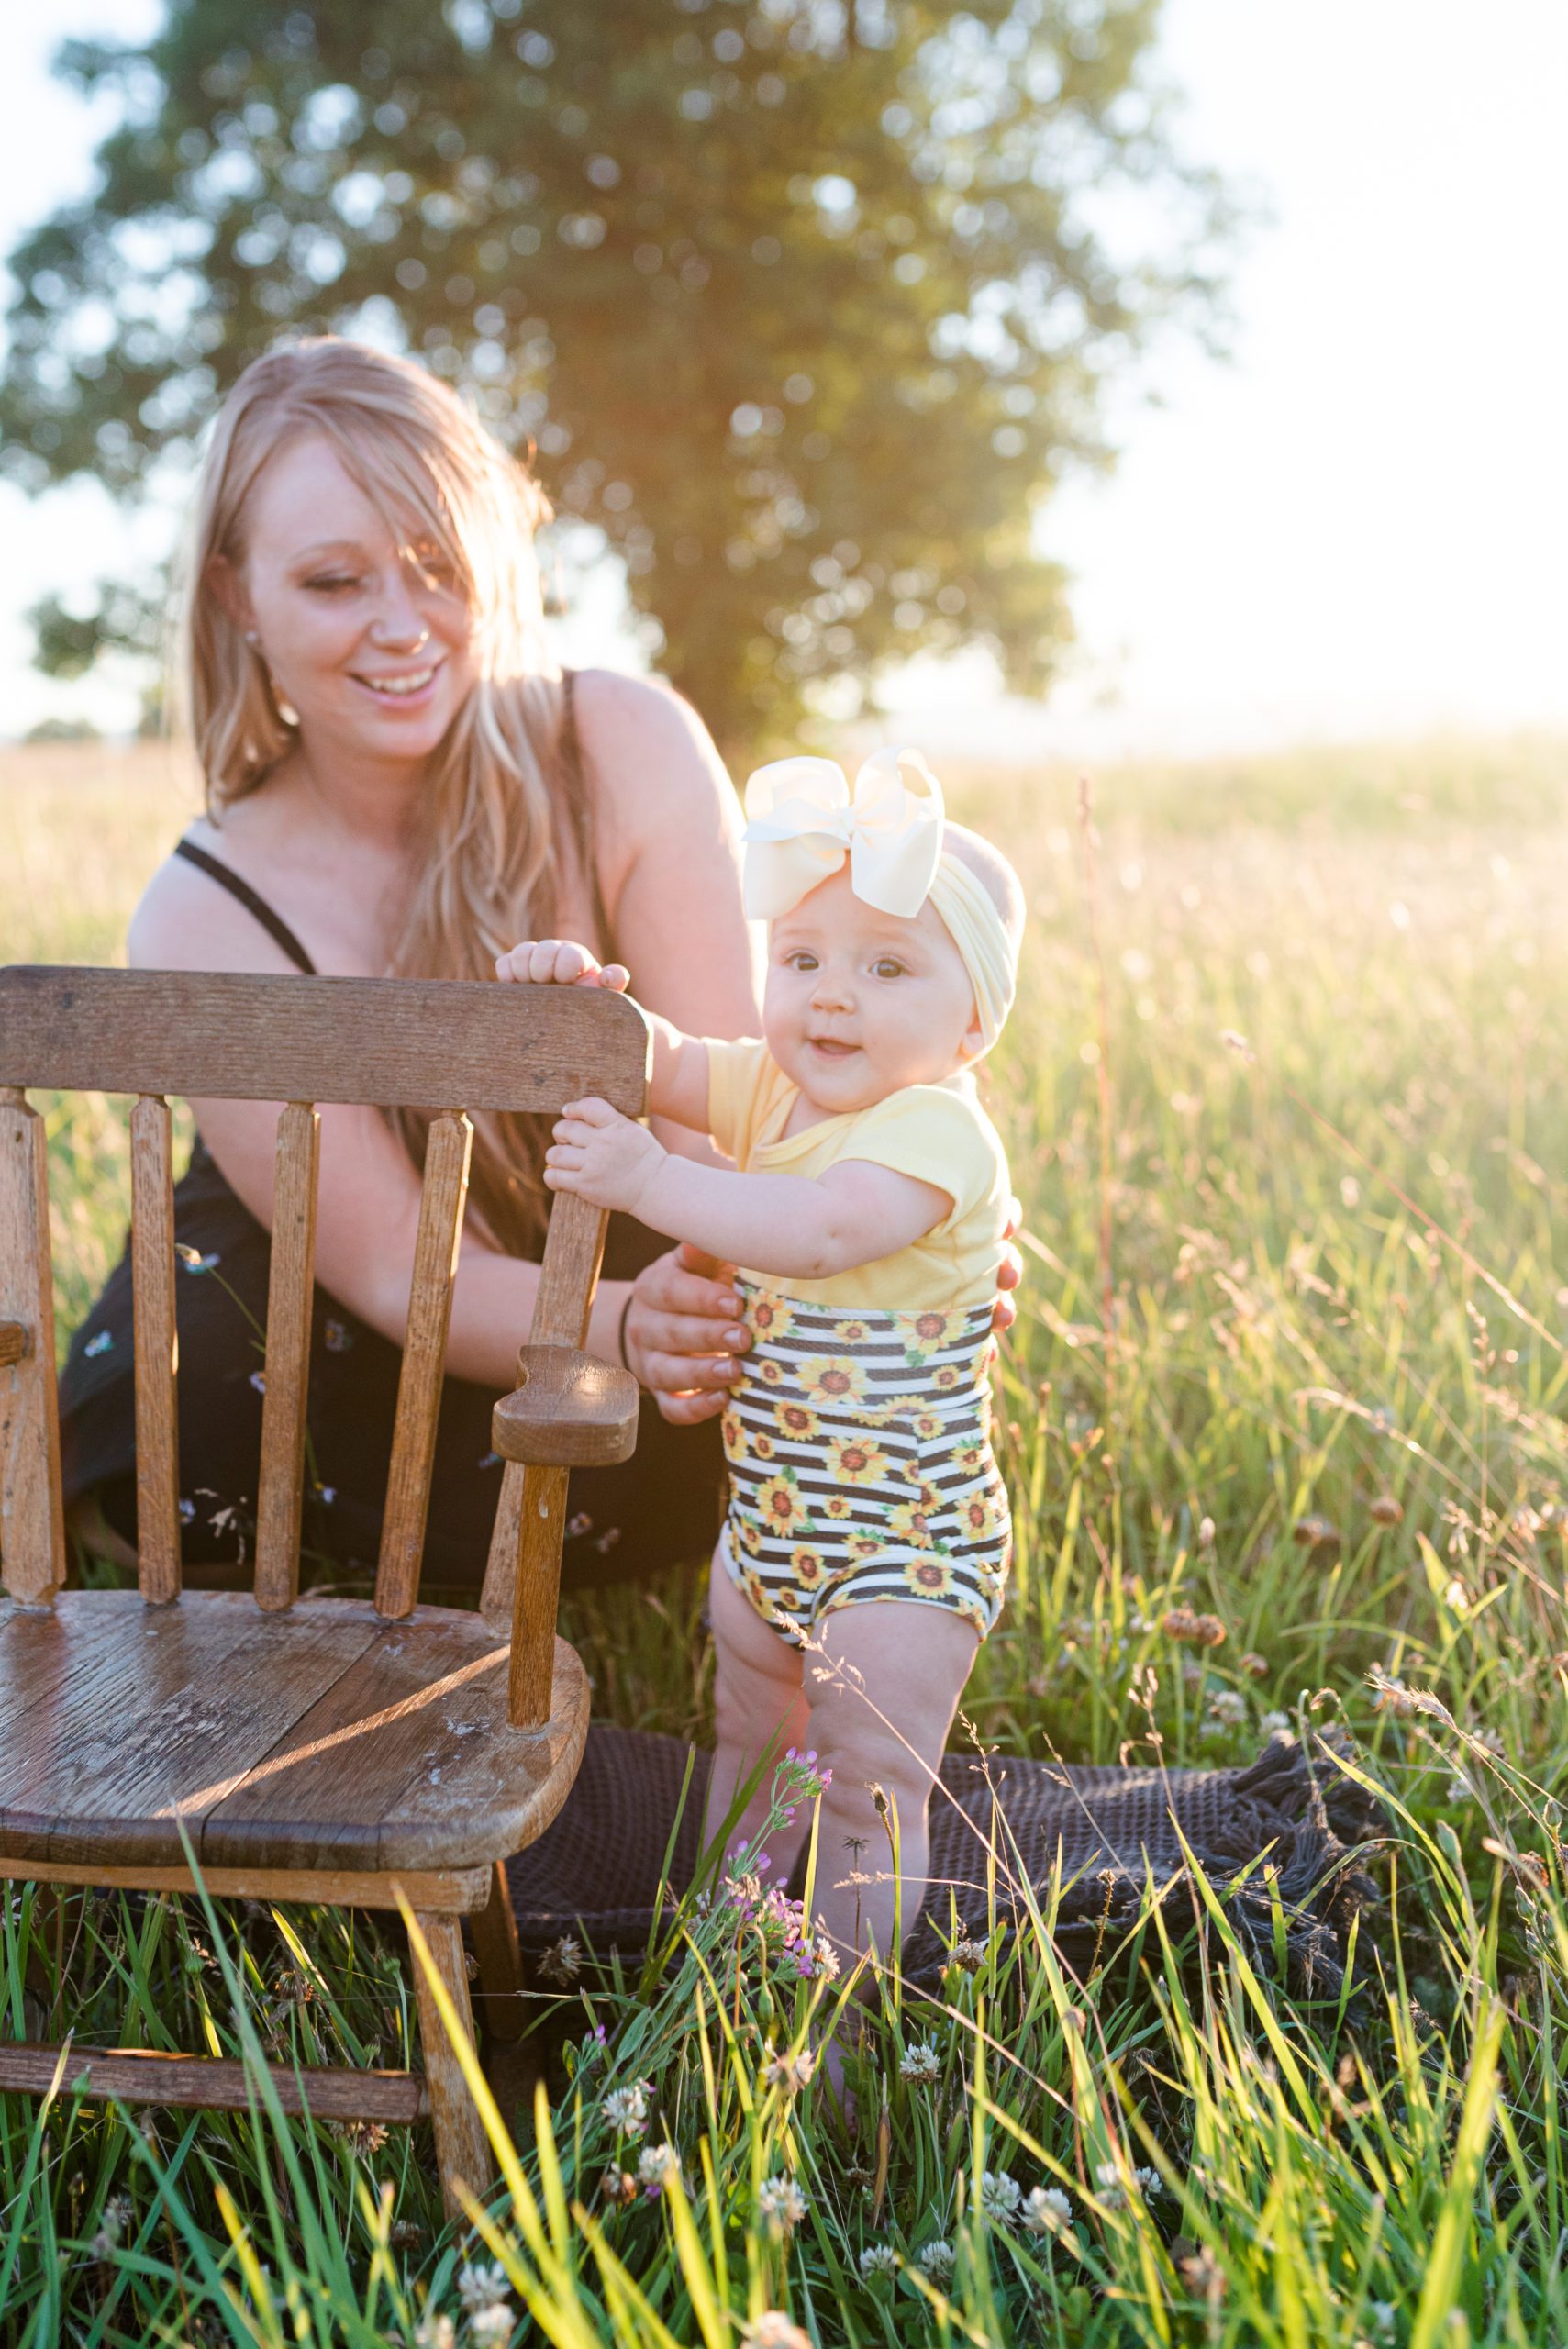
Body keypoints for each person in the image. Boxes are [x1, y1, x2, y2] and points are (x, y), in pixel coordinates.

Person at [495, 745, 1022, 1976]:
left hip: (905, 1543)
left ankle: (834, 2035)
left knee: (866, 1781)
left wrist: (650, 1178)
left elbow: (822, 1228)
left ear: (973, 1021)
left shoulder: (935, 1131)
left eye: (885, 967)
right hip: (776, 1524)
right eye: (800, 960)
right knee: (747, 1742)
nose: (829, 997)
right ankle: (727, 1954)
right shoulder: (768, 1092)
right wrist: (575, 998)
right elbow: (657, 1060)